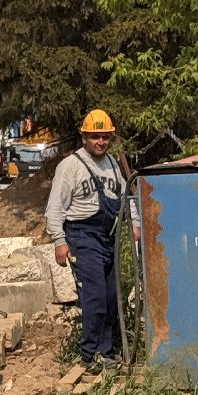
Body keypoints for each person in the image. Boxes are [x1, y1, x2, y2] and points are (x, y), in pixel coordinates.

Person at [46, 109, 129, 373]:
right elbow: (55, 207)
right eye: (95, 137)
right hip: (82, 236)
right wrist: (60, 241)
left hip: (108, 237)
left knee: (110, 297)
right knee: (94, 296)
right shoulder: (71, 166)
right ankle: (91, 353)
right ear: (84, 137)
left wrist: (135, 224)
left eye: (105, 137)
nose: (100, 142)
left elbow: (127, 197)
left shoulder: (113, 165)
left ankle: (106, 350)